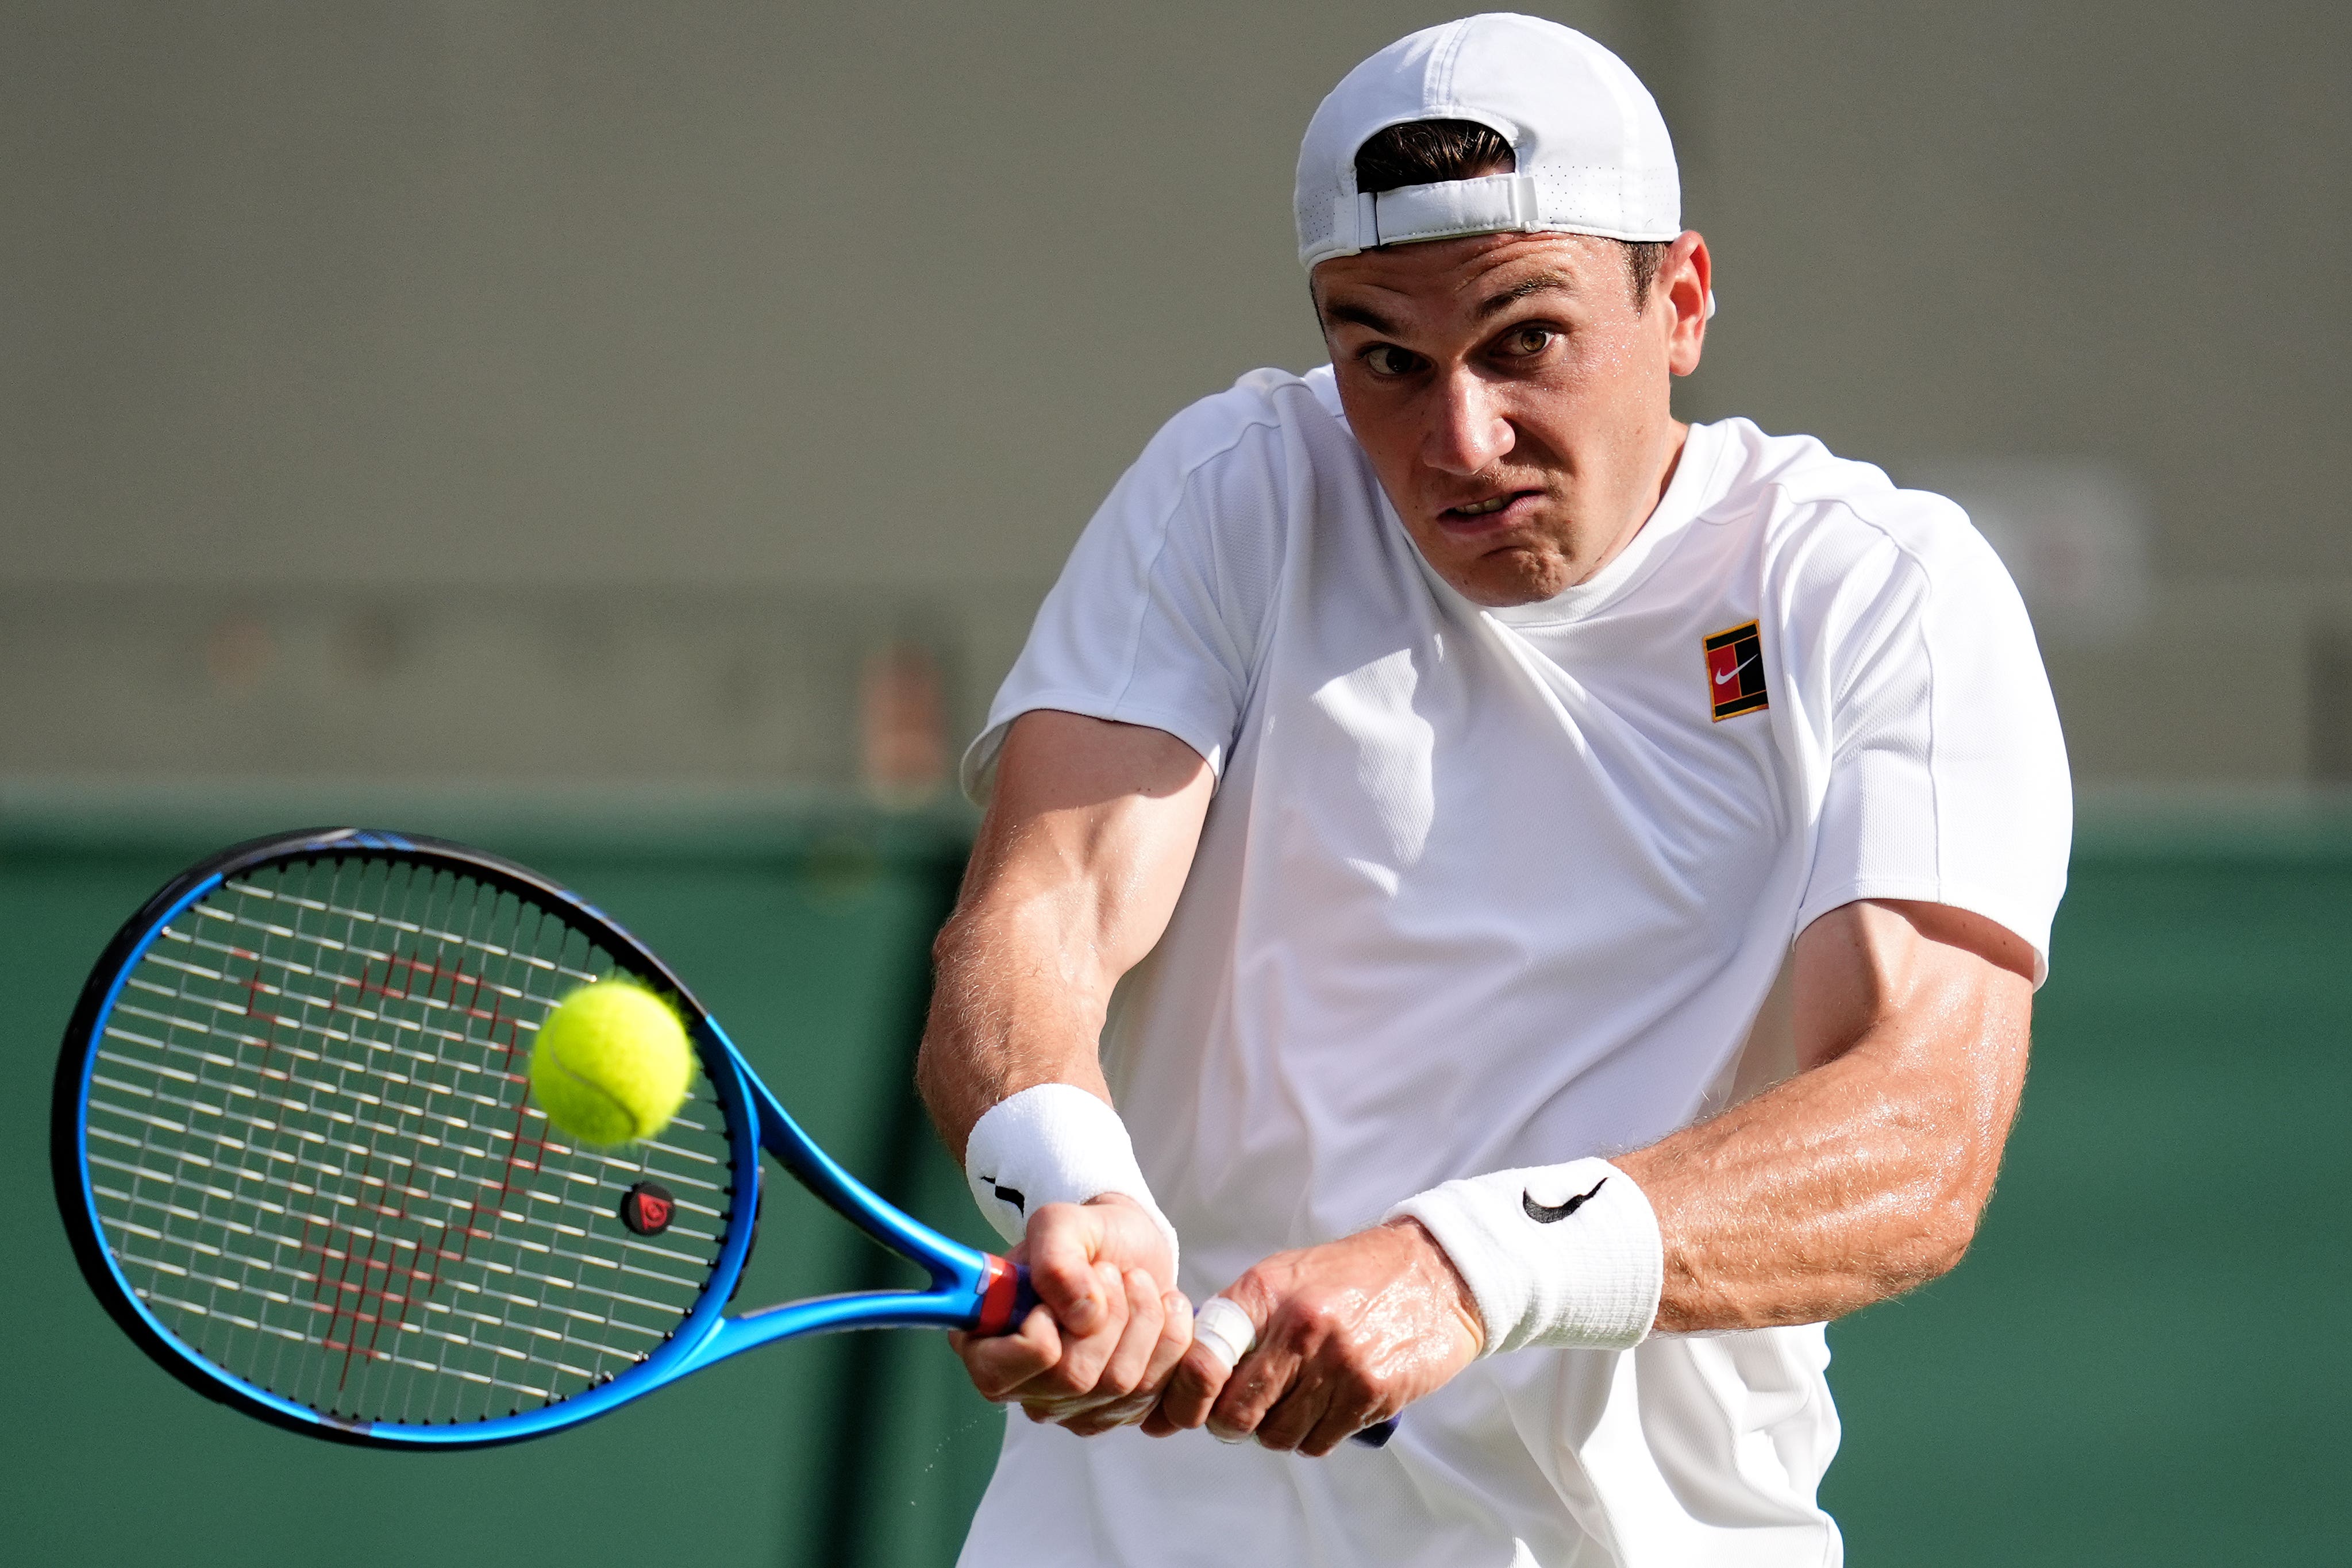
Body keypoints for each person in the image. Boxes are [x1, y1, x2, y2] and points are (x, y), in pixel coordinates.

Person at [917, 14, 2070, 1566]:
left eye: (1525, 338)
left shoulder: (1873, 591)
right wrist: (1073, 1182)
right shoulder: (1235, 488)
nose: (1461, 438)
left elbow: (1920, 1131)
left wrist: (1464, 1269)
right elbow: (1037, 918)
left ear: (1683, 302)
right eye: (1384, 356)